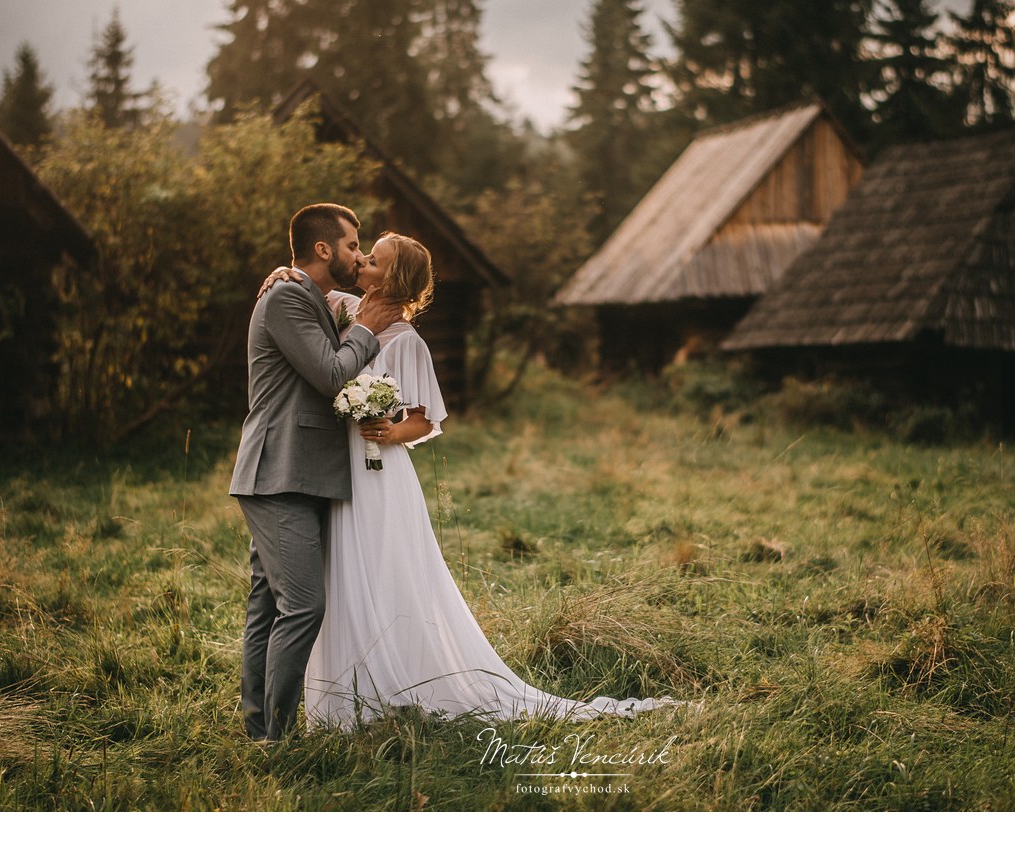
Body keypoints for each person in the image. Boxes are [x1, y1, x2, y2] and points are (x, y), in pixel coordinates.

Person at [267, 232, 679, 730]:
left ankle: (394, 683)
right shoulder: (346, 310)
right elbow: (305, 290)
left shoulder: (407, 342)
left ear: (393, 278)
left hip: (376, 466)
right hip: (332, 466)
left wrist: (388, 429)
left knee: (378, 566)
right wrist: (282, 272)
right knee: (338, 572)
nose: (363, 261)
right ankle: (340, 694)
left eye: (374, 260)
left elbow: (425, 420)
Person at [229, 203, 403, 742]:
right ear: (324, 248)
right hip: (278, 470)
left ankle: (259, 729)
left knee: (268, 606)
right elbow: (330, 374)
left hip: (300, 473)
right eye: (353, 245)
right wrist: (368, 330)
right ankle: (275, 739)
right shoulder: (286, 296)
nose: (360, 254)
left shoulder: (309, 296)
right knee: (303, 606)